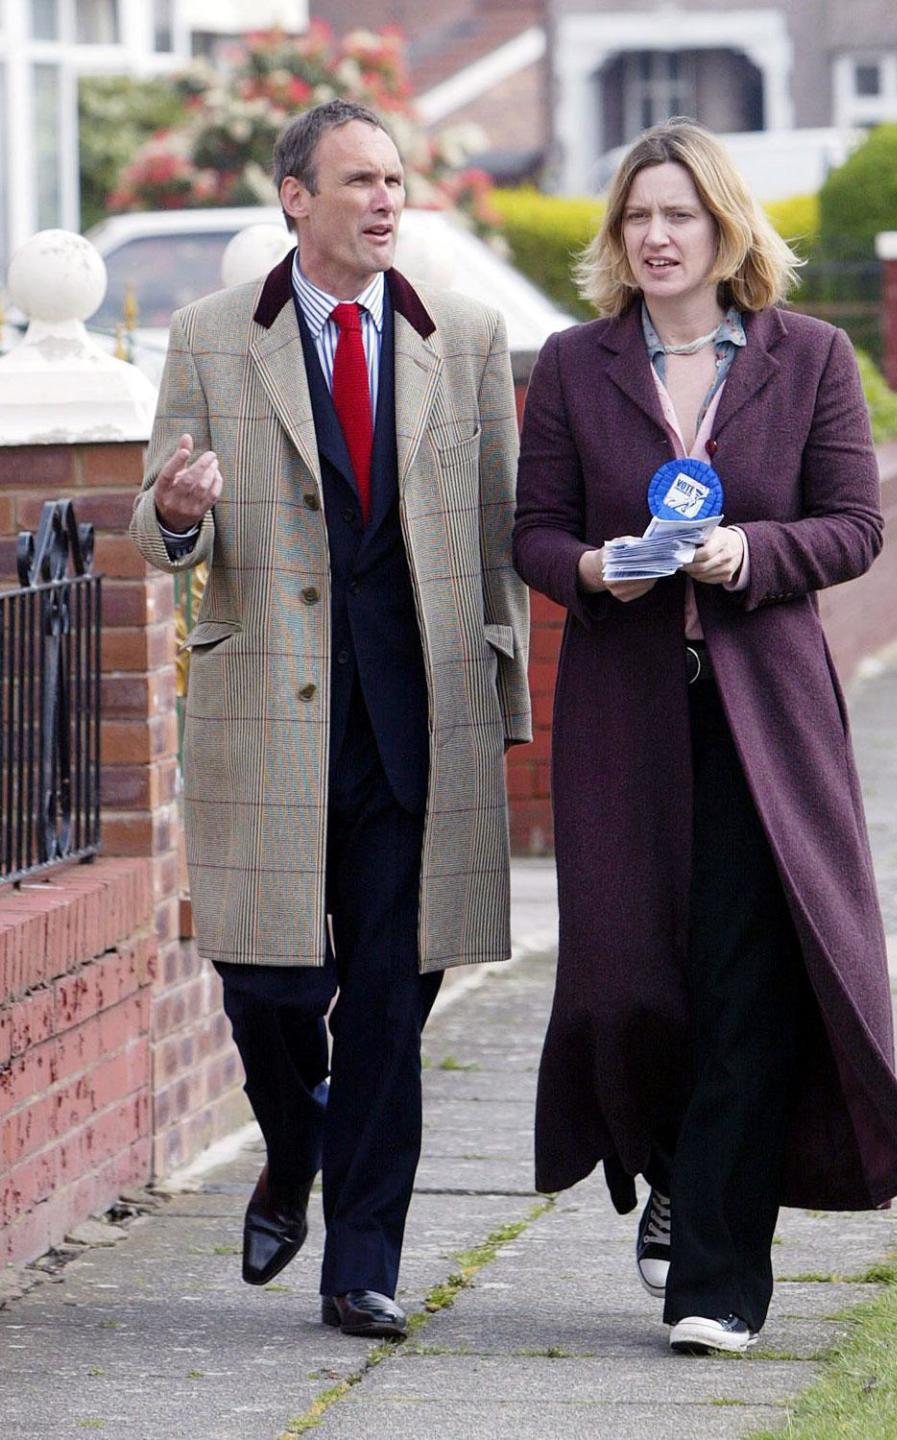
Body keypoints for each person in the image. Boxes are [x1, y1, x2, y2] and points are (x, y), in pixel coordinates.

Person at [512, 117, 897, 1356]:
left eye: (678, 215)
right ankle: (670, 1161)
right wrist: (595, 567)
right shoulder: (577, 365)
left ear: (724, 229)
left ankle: (717, 1283)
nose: (654, 235)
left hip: (766, 722)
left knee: (749, 987)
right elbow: (533, 531)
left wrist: (752, 551)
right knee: (630, 977)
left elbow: (855, 525)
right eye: (637, 216)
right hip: (625, 721)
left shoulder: (808, 357)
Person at [130, 99, 530, 1340]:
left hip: (419, 718)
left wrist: (502, 683)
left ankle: (361, 1262)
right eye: (359, 180)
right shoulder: (211, 337)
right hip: (271, 715)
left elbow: (498, 531)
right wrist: (184, 508)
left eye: (396, 181)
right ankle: (290, 1146)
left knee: (394, 1002)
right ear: (295, 198)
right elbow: (156, 530)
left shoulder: (462, 336)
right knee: (271, 987)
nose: (385, 201)